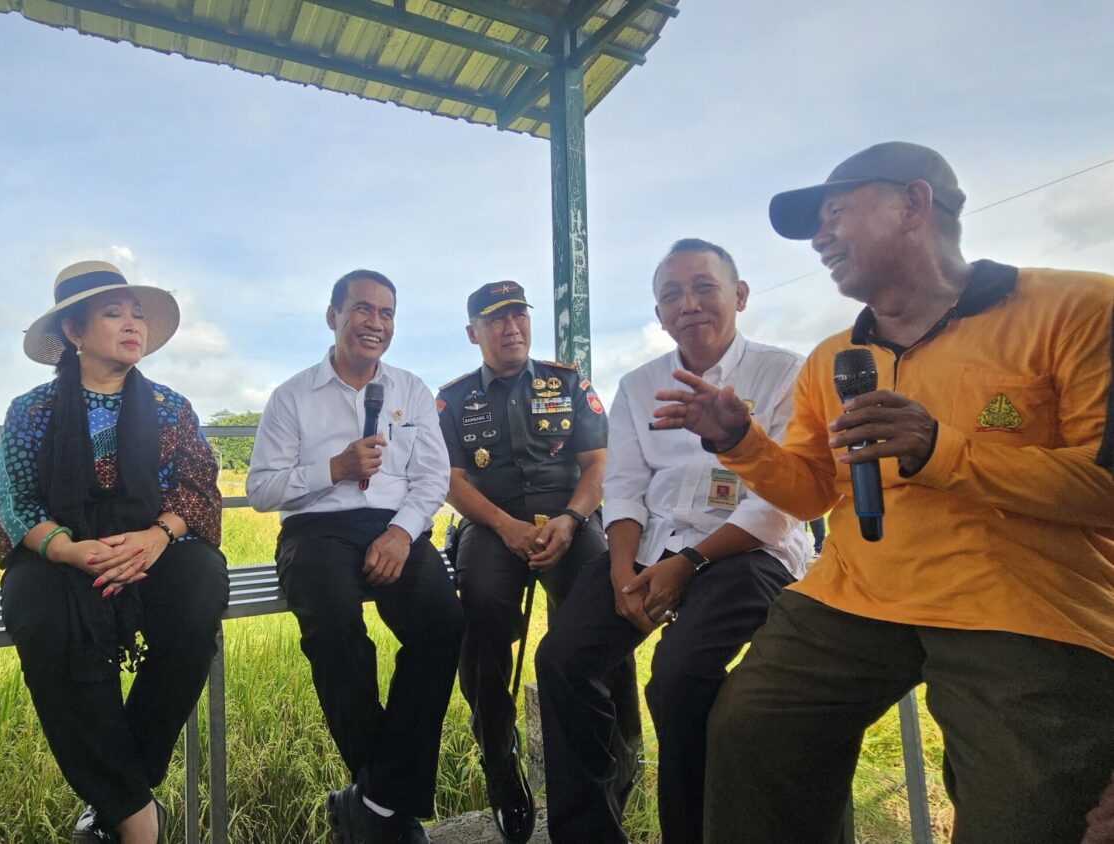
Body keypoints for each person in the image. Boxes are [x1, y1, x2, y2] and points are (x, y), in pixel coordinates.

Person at [652, 142, 1114, 842]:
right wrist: (738, 442)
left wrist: (942, 452)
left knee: (1028, 807)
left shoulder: (1077, 309)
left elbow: (1104, 488)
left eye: (835, 213)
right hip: (855, 594)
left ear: (913, 203)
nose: (819, 237)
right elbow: (808, 495)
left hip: (1023, 603)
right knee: (750, 730)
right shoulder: (834, 358)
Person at [535, 239, 809, 843]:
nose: (688, 304)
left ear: (738, 295)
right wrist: (621, 572)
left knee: (679, 676)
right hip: (652, 546)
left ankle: (693, 833)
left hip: (746, 551)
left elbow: (782, 503)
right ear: (658, 315)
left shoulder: (785, 372)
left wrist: (689, 564)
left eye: (703, 287)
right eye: (670, 295)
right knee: (562, 662)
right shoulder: (638, 385)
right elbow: (627, 485)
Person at [0, 260, 229, 844]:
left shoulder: (171, 407)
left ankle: (116, 798)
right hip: (63, 554)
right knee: (40, 614)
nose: (132, 325)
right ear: (73, 332)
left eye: (137, 314)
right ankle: (137, 813)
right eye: (113, 313)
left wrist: (157, 536)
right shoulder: (33, 411)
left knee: (200, 592)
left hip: (153, 546)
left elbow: (197, 487)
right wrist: (71, 551)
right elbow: (9, 497)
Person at [248, 269, 461, 844]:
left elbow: (432, 478)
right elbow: (261, 490)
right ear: (333, 316)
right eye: (362, 310)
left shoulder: (412, 390)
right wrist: (334, 470)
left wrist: (403, 533)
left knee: (444, 622)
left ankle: (373, 803)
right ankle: (388, 804)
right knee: (334, 623)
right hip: (315, 530)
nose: (375, 323)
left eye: (387, 313)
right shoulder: (292, 396)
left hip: (394, 525)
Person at [435, 281, 639, 843]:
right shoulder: (451, 400)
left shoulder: (567, 382)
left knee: (606, 609)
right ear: (473, 332)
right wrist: (506, 526)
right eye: (495, 320)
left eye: (518, 316)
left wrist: (572, 519)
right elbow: (451, 482)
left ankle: (616, 759)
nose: (511, 329)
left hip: (570, 519)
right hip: (492, 525)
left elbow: (598, 465)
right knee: (478, 615)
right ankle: (501, 765)